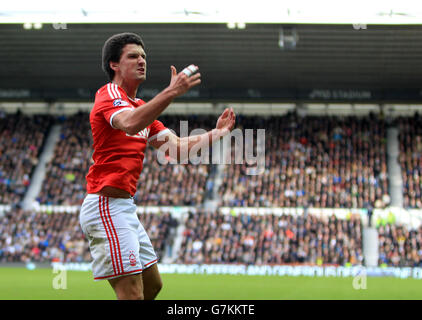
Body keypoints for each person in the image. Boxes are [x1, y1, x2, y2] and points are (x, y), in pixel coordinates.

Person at [79, 32, 236, 300]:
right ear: (114, 65)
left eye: (143, 56)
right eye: (133, 56)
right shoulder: (109, 94)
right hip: (105, 205)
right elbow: (129, 123)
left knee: (152, 287)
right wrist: (172, 91)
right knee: (132, 294)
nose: (141, 61)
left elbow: (175, 148)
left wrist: (217, 134)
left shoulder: (140, 106)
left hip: (124, 208)